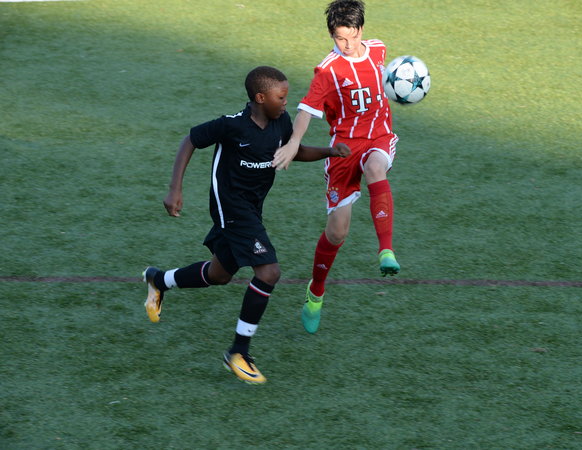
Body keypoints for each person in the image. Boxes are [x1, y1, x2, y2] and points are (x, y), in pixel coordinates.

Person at [143, 66, 350, 384]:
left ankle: (158, 280)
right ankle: (239, 352)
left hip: (252, 208)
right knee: (269, 272)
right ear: (260, 97)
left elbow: (292, 152)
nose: (286, 102)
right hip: (230, 207)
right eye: (281, 97)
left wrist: (329, 151)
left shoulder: (281, 122)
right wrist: (175, 189)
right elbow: (190, 140)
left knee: (220, 274)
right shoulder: (232, 126)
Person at [272, 0, 399, 334]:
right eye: (340, 38)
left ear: (361, 30)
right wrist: (294, 142)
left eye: (353, 36)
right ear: (332, 35)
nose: (348, 44)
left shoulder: (379, 50)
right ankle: (316, 291)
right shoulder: (327, 70)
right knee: (337, 231)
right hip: (343, 150)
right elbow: (306, 110)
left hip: (379, 138)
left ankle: (386, 250)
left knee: (376, 169)